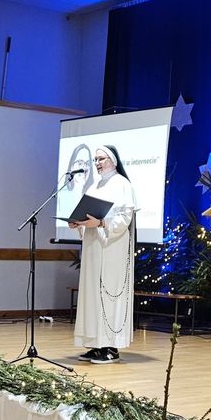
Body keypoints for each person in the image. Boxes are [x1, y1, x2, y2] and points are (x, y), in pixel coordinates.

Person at [69, 143, 136, 364]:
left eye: (101, 159)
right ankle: (96, 344)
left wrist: (101, 223)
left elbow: (125, 218)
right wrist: (78, 223)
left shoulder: (122, 184)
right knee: (92, 296)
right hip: (93, 248)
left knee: (108, 295)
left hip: (112, 248)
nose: (97, 163)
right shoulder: (94, 186)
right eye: (95, 159)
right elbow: (87, 215)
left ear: (113, 161)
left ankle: (110, 347)